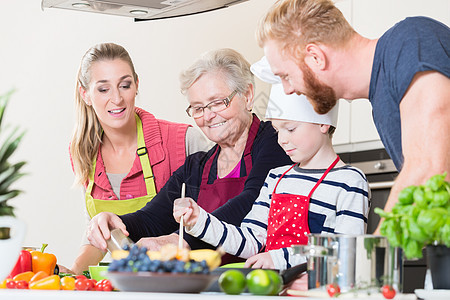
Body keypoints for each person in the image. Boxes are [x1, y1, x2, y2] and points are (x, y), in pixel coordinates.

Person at [85, 48, 293, 265]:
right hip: (205, 286)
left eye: (218, 102)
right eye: (198, 108)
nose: (209, 116)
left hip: (260, 282)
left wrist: (180, 240)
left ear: (248, 95)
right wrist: (114, 221)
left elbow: (251, 202)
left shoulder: (276, 141)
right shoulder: (197, 167)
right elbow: (153, 218)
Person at [256, 0, 450, 232]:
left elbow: (428, 169)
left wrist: (371, 257)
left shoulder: (410, 40)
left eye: (286, 75)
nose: (288, 89)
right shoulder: (380, 97)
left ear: (316, 57)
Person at [173, 56, 370, 272]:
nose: (282, 139)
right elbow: (249, 241)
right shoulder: (277, 178)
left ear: (323, 122)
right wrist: (199, 220)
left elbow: (346, 252)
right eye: (277, 130)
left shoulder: (349, 181)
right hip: (273, 289)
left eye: (291, 129)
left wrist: (278, 259)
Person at [68, 43, 210, 274]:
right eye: (103, 89)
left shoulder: (183, 141)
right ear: (85, 94)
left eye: (125, 85)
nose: (117, 99)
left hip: (187, 281)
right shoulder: (84, 152)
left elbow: (225, 212)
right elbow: (99, 233)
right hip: (131, 283)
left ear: (136, 85)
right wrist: (71, 273)